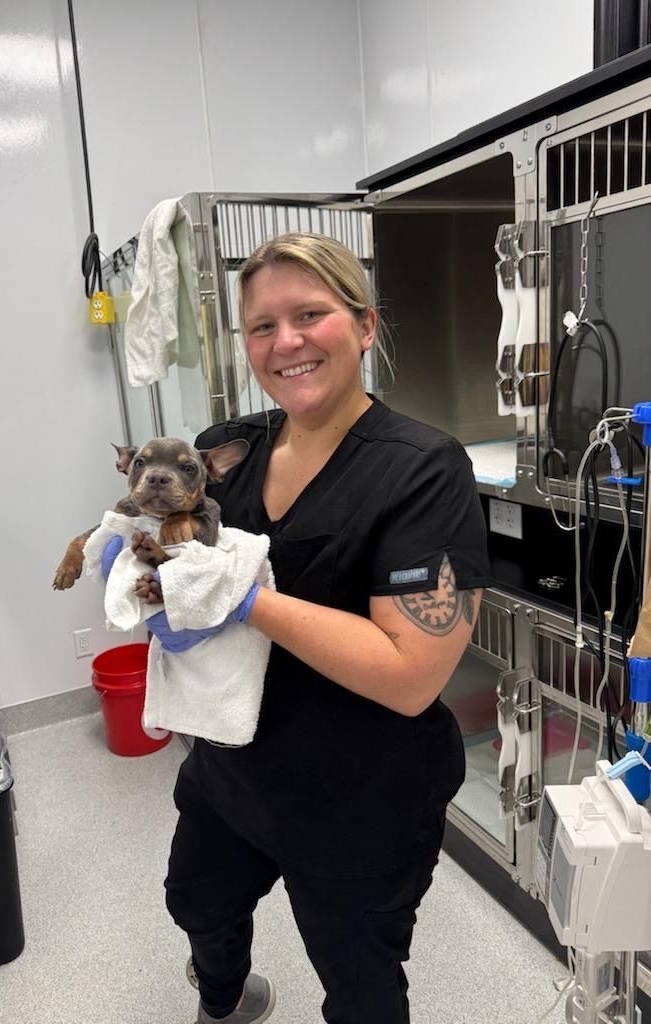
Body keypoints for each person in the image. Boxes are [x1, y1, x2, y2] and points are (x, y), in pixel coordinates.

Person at [156, 232, 492, 1024]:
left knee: (360, 984)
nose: (287, 342)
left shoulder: (423, 469)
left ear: (365, 326)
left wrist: (241, 599)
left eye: (310, 314)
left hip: (361, 798)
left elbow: (410, 676)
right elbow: (175, 545)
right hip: (233, 765)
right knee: (197, 900)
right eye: (263, 326)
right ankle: (226, 1000)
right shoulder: (227, 451)